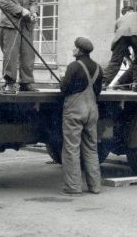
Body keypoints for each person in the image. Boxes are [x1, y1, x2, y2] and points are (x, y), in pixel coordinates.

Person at [59, 37, 104, 196]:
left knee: (71, 148)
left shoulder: (74, 66)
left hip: (75, 110)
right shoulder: (98, 68)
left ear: (79, 50)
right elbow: (97, 92)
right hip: (92, 110)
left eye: (74, 47)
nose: (73, 49)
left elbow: (64, 89)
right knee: (91, 148)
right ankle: (95, 186)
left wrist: (62, 79)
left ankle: (73, 187)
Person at [0, 0, 40, 94]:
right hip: (10, 24)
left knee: (28, 54)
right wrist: (21, 10)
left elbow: (34, 1)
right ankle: (9, 82)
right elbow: (3, 1)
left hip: (26, 24)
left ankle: (27, 82)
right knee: (11, 54)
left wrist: (34, 12)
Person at [102, 5, 137, 92]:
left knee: (115, 62)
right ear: (132, 10)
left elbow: (118, 39)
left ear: (123, 13)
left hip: (121, 36)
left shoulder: (118, 20)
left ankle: (104, 83)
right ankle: (136, 85)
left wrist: (127, 57)